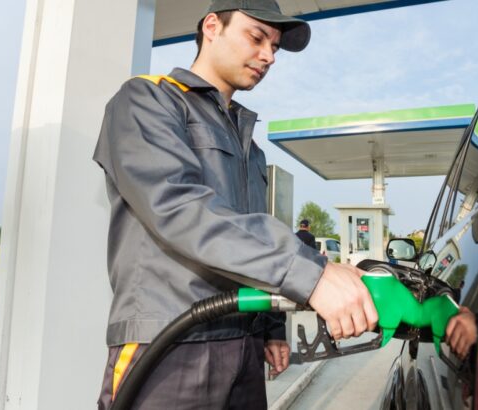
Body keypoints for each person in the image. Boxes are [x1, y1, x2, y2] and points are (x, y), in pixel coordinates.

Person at [92, 1, 378, 408]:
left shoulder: (252, 149)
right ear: (212, 26)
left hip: (242, 346)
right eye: (256, 37)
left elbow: (251, 230)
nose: (268, 56)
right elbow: (178, 208)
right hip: (169, 343)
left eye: (275, 47)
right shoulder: (147, 101)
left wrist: (270, 328)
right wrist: (312, 274)